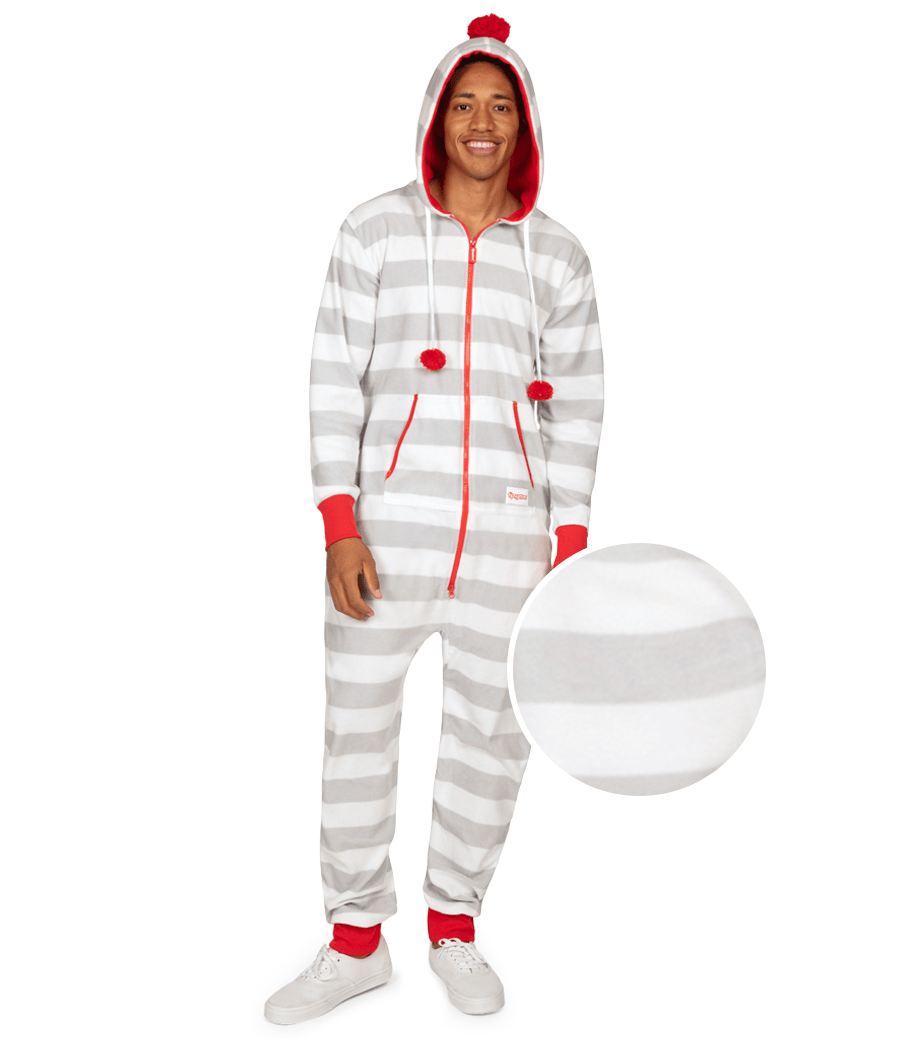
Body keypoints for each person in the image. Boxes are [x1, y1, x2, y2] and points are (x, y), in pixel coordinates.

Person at [264, 12, 604, 1024]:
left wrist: (570, 541)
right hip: (385, 534)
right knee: (356, 733)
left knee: (493, 736)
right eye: (466, 105)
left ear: (524, 123)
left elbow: (580, 402)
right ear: (437, 116)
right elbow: (333, 376)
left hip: (513, 539)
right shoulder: (373, 230)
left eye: (501, 106)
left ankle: (454, 926)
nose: (482, 123)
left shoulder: (559, 255)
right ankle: (355, 943)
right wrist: (338, 522)